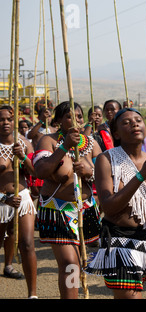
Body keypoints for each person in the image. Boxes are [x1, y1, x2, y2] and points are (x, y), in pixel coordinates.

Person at [85, 107, 146, 299]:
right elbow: (108, 206)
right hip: (117, 238)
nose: (134, 124)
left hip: (144, 239)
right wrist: (141, 176)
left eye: (138, 120)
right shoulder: (106, 159)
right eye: (126, 122)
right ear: (116, 134)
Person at [33, 101, 102, 299]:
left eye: (79, 116)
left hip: (85, 209)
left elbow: (108, 175)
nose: (76, 120)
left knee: (79, 263)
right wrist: (64, 147)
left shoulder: (91, 143)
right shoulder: (48, 141)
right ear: (59, 121)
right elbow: (41, 170)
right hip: (57, 210)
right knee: (70, 264)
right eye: (70, 116)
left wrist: (90, 172)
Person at [0, 106, 38, 298]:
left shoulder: (24, 143)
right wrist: (3, 198)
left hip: (22, 199)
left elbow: (35, 173)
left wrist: (22, 157)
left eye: (9, 119)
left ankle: (32, 294)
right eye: (1, 119)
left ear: (14, 121)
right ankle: (7, 265)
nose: (5, 122)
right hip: (0, 201)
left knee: (27, 243)